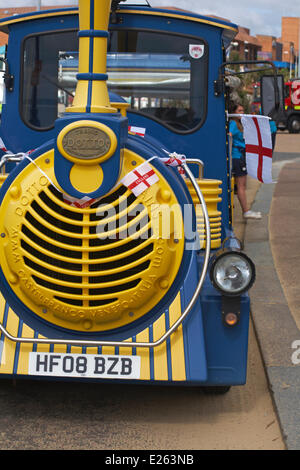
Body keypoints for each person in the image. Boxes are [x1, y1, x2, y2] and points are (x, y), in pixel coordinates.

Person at [229, 104, 261, 219]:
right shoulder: (233, 124)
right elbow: (229, 136)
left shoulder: (241, 124)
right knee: (241, 185)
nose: (242, 113)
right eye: (239, 110)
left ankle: (245, 210)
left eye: (243, 110)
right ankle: (246, 211)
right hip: (238, 157)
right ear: (234, 112)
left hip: (242, 157)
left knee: (242, 185)